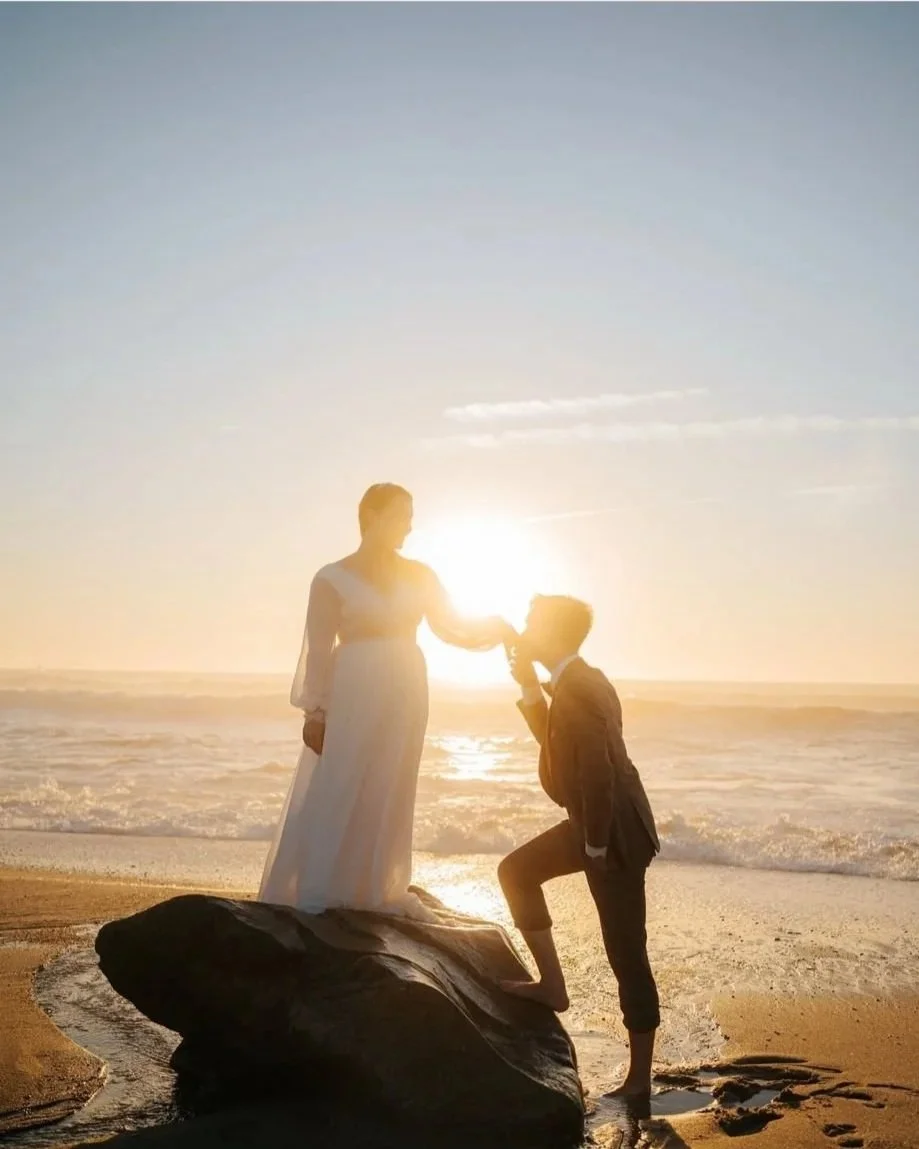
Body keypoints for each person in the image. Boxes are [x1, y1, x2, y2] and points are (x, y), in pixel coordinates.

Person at [259, 483, 511, 919]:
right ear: (371, 516)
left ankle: (374, 887)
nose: (409, 525)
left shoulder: (421, 574)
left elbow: (451, 627)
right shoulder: (331, 577)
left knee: (392, 781)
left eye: (411, 516)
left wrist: (496, 629)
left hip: (408, 686)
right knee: (341, 780)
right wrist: (315, 710)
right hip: (353, 685)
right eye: (400, 515)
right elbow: (318, 650)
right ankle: (321, 886)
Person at [497, 595, 661, 1097]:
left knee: (625, 948)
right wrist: (525, 681)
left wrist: (592, 845)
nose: (525, 630)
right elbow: (555, 738)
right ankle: (552, 986)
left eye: (530, 624)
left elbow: (598, 769)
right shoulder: (579, 680)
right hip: (600, 821)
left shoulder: (581, 687)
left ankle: (638, 1079)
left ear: (550, 632)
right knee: (517, 872)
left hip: (612, 832)